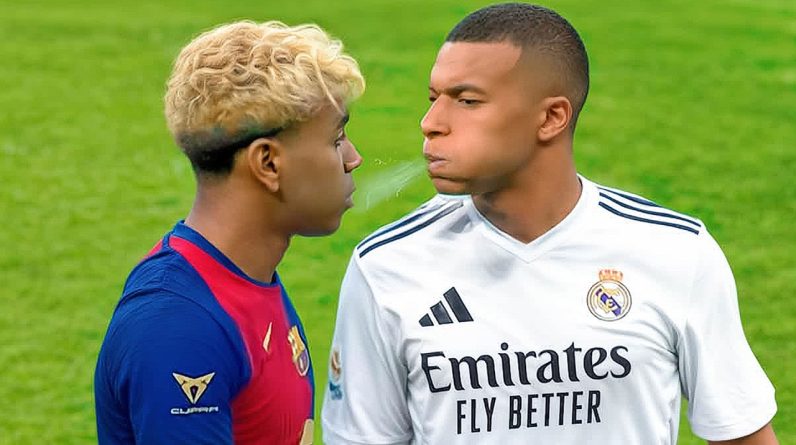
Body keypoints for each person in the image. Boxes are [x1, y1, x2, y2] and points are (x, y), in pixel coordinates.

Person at [321, 3, 777, 444]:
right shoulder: (386, 268)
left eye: (467, 101)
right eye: (433, 98)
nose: (431, 122)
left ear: (551, 117)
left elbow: (741, 434)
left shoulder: (674, 251)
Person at [94, 20, 364, 444]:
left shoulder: (244, 279)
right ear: (268, 163)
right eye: (336, 139)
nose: (353, 158)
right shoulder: (180, 326)